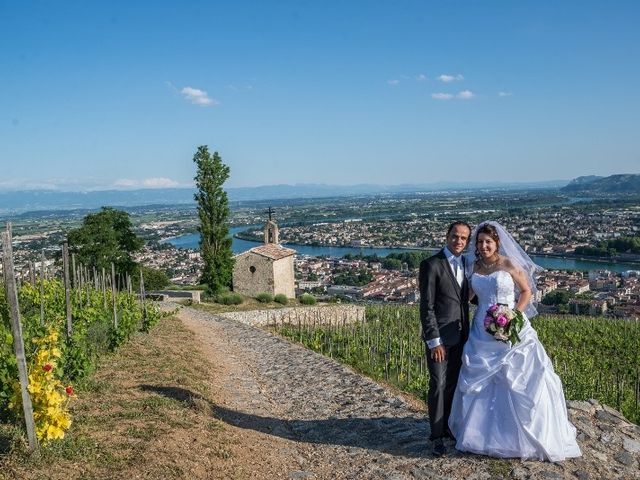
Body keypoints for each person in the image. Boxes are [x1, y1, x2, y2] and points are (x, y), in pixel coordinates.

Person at [448, 221, 582, 461]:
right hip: (482, 331)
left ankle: (516, 436)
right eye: (479, 242)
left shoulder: (508, 264)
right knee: (482, 381)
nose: (483, 246)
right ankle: (480, 434)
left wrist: (513, 316)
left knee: (518, 379)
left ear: (497, 243)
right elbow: (467, 298)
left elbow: (527, 292)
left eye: (488, 242)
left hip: (511, 327)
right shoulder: (474, 266)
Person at [419, 221, 471, 456]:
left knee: (452, 384)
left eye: (463, 238)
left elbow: (467, 299)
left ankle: (449, 427)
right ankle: (436, 436)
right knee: (438, 385)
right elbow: (426, 307)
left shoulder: (468, 264)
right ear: (447, 236)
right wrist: (434, 341)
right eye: (455, 236)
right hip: (440, 339)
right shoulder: (431, 265)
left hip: (462, 336)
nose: (458, 241)